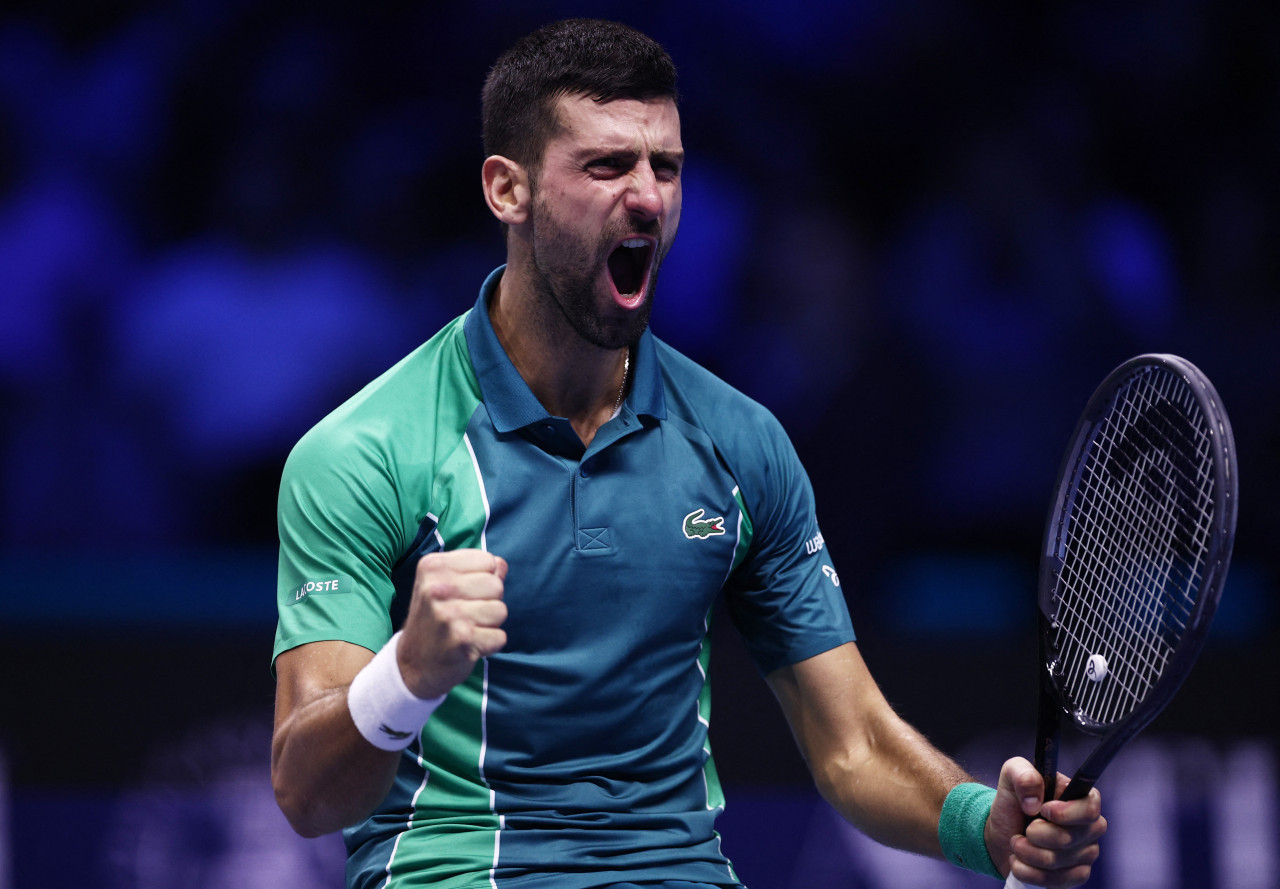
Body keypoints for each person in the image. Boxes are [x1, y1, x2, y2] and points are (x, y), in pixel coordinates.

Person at [270, 18, 1106, 889]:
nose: (648, 199)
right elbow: (305, 792)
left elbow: (852, 742)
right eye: (605, 166)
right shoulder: (366, 451)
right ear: (506, 190)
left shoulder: (741, 442)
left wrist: (985, 822)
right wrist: (407, 673)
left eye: (664, 168)